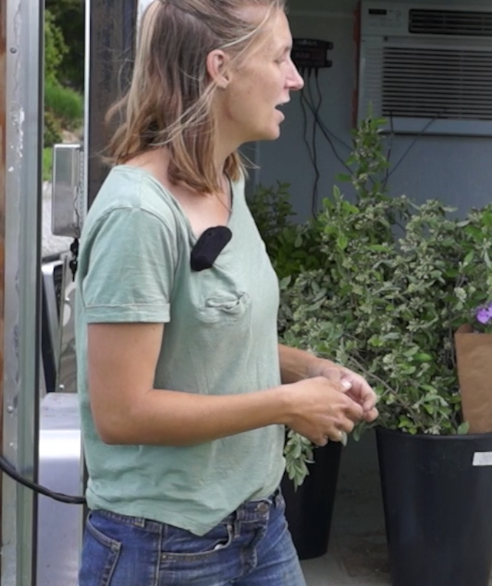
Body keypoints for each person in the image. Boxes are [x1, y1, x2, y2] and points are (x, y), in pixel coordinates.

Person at [74, 1, 377, 584]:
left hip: (259, 526)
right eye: (280, 56)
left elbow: (209, 335)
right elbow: (122, 412)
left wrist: (309, 369)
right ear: (221, 68)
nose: (294, 77)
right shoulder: (139, 215)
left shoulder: (226, 179)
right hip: (161, 547)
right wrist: (288, 406)